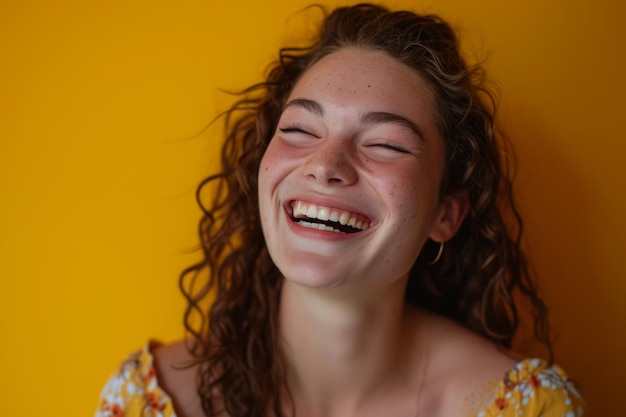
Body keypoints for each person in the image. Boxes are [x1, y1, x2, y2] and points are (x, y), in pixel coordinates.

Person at [96, 3, 585, 417]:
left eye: (386, 144)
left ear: (447, 214)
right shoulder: (149, 400)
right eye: (300, 131)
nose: (324, 166)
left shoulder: (529, 407)